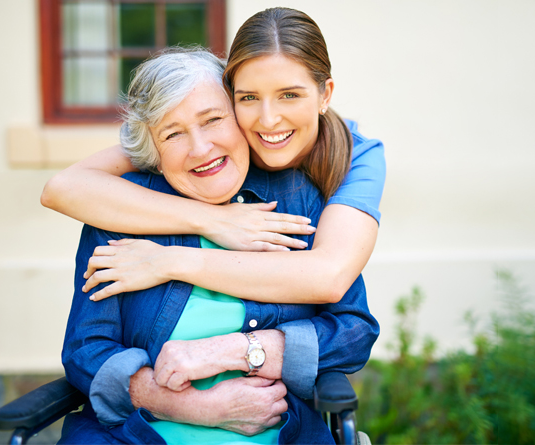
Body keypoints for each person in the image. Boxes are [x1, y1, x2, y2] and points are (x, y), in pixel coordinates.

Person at [58, 48, 378, 444]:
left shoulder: (300, 201)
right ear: (153, 152)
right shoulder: (117, 213)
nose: (201, 148)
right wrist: (186, 405)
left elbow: (353, 331)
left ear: (240, 121)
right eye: (172, 133)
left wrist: (244, 349)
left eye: (213, 120)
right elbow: (85, 350)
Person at [40, 7, 386, 307]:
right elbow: (63, 188)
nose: (268, 120)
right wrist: (213, 220)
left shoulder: (358, 156)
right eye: (249, 98)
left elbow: (329, 276)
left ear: (324, 94)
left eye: (289, 95)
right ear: (229, 96)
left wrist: (167, 261)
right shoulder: (219, 137)